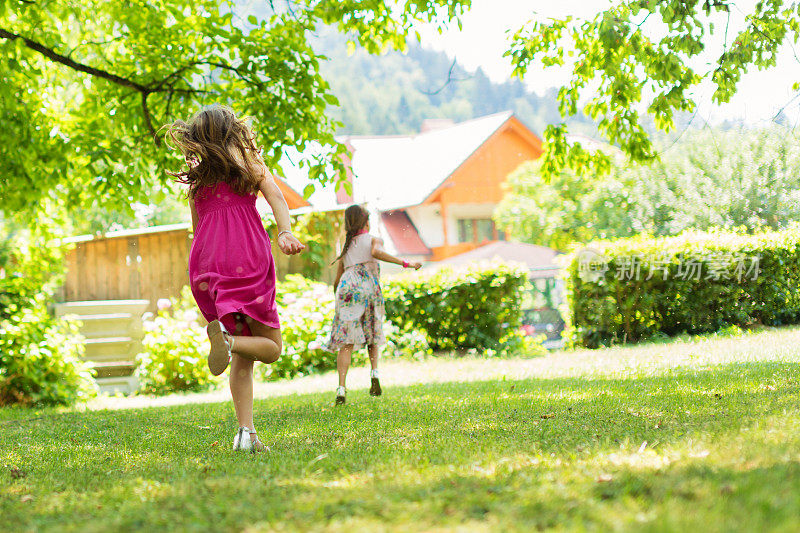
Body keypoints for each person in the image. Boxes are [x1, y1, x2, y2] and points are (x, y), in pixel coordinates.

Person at [166, 105, 305, 452]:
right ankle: (227, 343)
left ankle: (246, 435)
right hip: (247, 258)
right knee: (270, 349)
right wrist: (284, 232)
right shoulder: (249, 164)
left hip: (208, 264)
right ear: (233, 132)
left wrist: (198, 273)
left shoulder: (198, 179)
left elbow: (197, 228)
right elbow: (276, 197)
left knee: (242, 359)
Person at [324, 204, 421, 405]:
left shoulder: (346, 244)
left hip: (346, 288)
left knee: (346, 342)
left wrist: (338, 301)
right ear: (366, 222)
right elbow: (376, 253)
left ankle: (341, 388)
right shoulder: (374, 239)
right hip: (367, 285)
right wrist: (405, 263)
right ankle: (374, 373)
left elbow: (337, 278)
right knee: (372, 333)